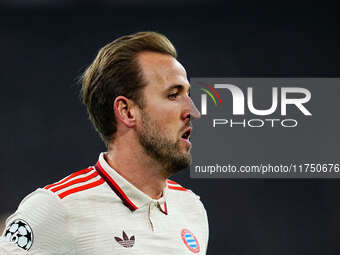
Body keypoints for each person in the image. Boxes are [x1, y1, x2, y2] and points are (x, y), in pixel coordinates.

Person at [0, 31, 209, 255]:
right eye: (173, 95)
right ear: (127, 111)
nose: (193, 111)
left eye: (188, 95)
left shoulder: (191, 209)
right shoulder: (58, 208)